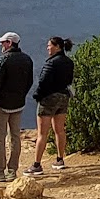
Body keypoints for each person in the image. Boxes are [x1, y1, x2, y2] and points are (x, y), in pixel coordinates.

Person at [0, 32, 33, 183]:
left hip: (1, 105)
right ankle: (12, 171)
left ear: (10, 43)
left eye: (3, 42)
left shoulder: (3, 60)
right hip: (18, 104)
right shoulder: (27, 59)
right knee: (15, 137)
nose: (1, 44)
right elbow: (29, 81)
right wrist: (21, 96)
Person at [24, 36, 73, 177]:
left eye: (49, 45)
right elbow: (69, 80)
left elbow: (43, 81)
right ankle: (60, 159)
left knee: (42, 133)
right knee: (60, 130)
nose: (47, 48)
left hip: (48, 98)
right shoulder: (69, 62)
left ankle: (37, 165)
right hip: (63, 97)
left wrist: (37, 96)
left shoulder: (51, 63)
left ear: (57, 47)